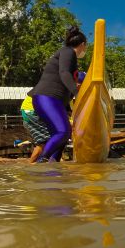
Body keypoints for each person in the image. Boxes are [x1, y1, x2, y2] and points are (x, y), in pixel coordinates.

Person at [28, 26, 87, 162]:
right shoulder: (68, 52)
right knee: (63, 132)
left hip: (52, 100)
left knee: (61, 137)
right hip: (47, 97)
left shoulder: (68, 55)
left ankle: (53, 171)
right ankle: (42, 163)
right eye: (85, 47)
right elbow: (64, 73)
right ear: (83, 45)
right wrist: (77, 93)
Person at [20, 95, 50, 163]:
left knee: (46, 141)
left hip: (28, 111)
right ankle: (30, 165)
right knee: (44, 141)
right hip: (31, 111)